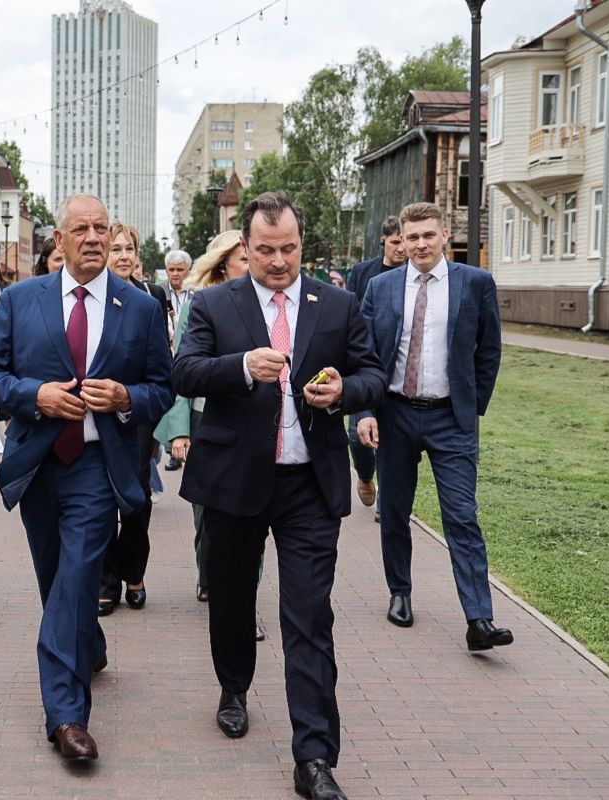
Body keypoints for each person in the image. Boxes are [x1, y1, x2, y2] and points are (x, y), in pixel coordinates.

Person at [174, 191, 386, 800]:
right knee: (234, 601)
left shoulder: (338, 303)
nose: (277, 261)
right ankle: (234, 685)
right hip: (234, 482)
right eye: (265, 251)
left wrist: (346, 388)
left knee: (309, 616)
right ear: (246, 247)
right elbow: (183, 372)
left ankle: (315, 758)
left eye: (288, 248)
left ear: (302, 244)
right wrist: (241, 366)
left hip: (308, 487)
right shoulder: (216, 302)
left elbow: (373, 378)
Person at [0, 195, 173, 761]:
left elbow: (164, 385)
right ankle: (89, 643)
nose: (92, 237)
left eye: (101, 228)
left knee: (80, 572)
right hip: (37, 464)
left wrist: (128, 397)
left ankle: (66, 715)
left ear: (111, 237)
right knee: (55, 578)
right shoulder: (19, 301)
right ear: (58, 240)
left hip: (94, 465)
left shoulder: (139, 308)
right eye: (79, 229)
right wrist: (33, 395)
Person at [356, 201, 511, 651]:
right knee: (395, 511)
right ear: (400, 241)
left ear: (445, 235)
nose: (420, 244)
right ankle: (400, 592)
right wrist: (365, 411)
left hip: (451, 419)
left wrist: (471, 406)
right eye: (411, 237)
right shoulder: (382, 288)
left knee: (462, 517)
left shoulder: (475, 283)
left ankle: (479, 618)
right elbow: (364, 356)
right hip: (395, 413)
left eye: (428, 235)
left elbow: (490, 350)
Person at [153, 230, 249, 602]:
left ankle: (243, 594)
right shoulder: (200, 305)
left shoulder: (271, 305)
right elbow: (181, 370)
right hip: (203, 421)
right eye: (244, 258)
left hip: (251, 423)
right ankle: (208, 573)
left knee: (248, 516)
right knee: (206, 514)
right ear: (223, 266)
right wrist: (179, 431)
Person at [96, 222, 164, 616]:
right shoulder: (94, 297)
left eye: (128, 249)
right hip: (98, 412)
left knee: (136, 498)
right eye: (115, 248)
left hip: (137, 412)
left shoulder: (150, 299)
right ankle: (107, 580)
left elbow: (161, 366)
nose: (122, 255)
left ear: (137, 256)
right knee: (101, 496)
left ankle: (134, 572)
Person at [346, 216, 407, 516]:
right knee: (357, 437)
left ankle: (387, 502)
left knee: (392, 440)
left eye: (403, 241)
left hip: (398, 371)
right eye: (395, 242)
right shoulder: (362, 273)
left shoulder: (415, 273)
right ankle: (365, 474)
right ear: (384, 240)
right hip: (363, 364)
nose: (401, 248)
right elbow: (349, 314)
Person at [161, 249, 194, 472]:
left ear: (188, 271)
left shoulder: (197, 292)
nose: (175, 274)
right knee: (170, 401)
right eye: (171, 270)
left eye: (179, 270)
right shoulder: (160, 292)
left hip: (189, 354)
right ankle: (171, 449)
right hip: (167, 354)